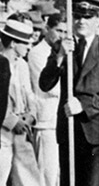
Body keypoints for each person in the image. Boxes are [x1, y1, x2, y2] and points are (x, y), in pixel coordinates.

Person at [39, 0, 99, 186]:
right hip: (70, 132)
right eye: (78, 16)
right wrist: (60, 56)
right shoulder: (63, 47)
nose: (82, 21)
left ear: (98, 20)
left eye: (88, 17)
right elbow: (44, 84)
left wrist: (84, 104)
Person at [0, 19, 43, 186]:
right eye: (24, 43)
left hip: (22, 130)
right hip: (3, 131)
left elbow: (30, 94)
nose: (28, 47)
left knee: (29, 179)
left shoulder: (23, 66)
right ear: (12, 43)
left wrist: (31, 114)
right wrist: (12, 122)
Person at [28, 13, 62, 186]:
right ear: (47, 29)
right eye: (58, 30)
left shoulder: (64, 51)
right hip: (46, 121)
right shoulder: (37, 53)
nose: (61, 36)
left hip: (61, 120)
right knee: (46, 174)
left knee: (58, 174)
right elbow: (49, 87)